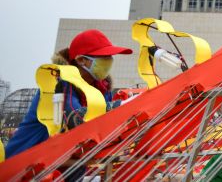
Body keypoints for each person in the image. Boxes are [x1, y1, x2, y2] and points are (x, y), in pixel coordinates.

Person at [5, 29, 133, 164]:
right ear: (81, 60)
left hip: (66, 166)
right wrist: (123, 106)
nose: (109, 61)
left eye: (110, 57)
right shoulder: (58, 83)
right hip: (23, 163)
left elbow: (104, 127)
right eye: (103, 57)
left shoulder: (101, 88)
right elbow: (76, 118)